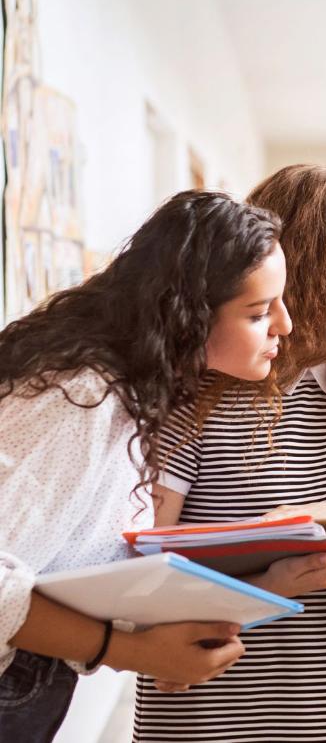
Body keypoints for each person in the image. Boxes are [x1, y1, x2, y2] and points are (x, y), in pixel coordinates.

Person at [133, 165, 326, 743]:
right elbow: (141, 582)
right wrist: (274, 579)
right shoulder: (195, 398)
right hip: (206, 723)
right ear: (303, 262)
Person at [0, 190, 288, 742]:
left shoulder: (136, 392)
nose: (286, 325)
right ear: (188, 316)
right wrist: (127, 650)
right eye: (258, 312)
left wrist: (273, 570)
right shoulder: (79, 396)